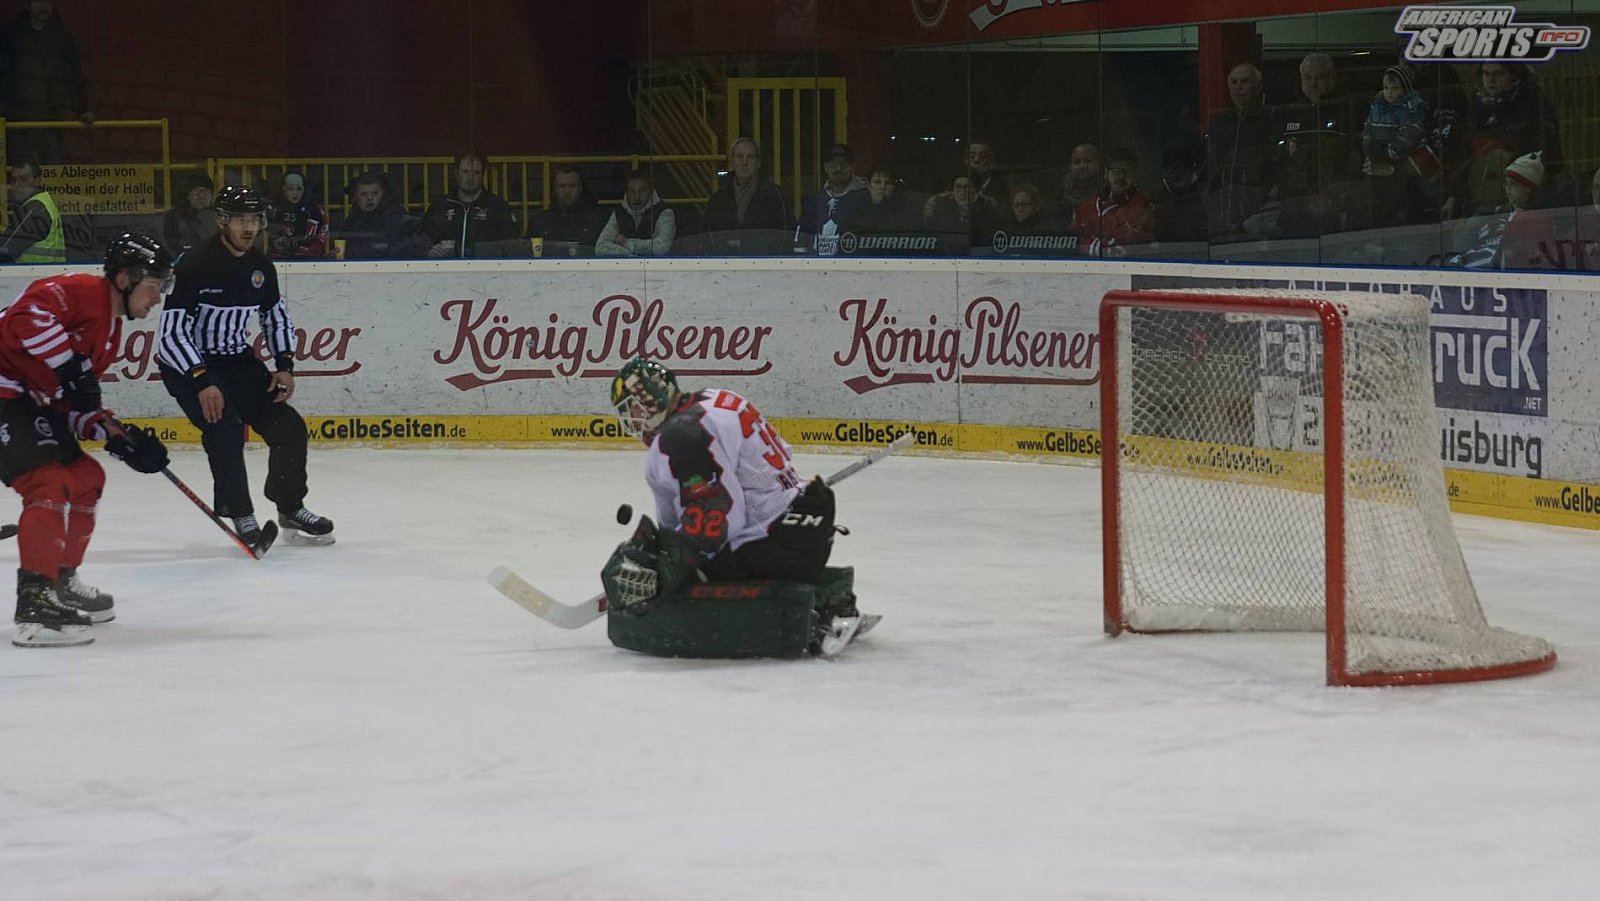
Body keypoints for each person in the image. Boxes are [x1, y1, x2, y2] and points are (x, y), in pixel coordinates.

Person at [600, 357, 866, 656]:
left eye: (632, 407)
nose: (630, 418)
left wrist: (671, 567)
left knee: (686, 583)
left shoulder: (680, 435)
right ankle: (831, 599)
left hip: (775, 541)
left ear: (652, 398)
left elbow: (720, 518)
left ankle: (811, 620)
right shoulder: (716, 398)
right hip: (806, 522)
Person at [0, 233, 173, 647]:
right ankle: (34, 604)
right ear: (125, 278)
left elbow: (71, 402)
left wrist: (118, 437)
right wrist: (70, 366)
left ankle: (60, 580)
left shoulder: (110, 332)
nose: (158, 298)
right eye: (154, 285)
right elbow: (23, 318)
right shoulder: (82, 290)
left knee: (86, 477)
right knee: (47, 482)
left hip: (28, 401)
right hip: (5, 393)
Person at [155, 185, 333, 548]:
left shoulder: (260, 267)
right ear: (222, 221)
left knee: (289, 428)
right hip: (191, 369)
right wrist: (202, 379)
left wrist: (284, 365)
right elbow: (170, 335)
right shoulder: (193, 265)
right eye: (240, 219)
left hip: (237, 363)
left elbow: (275, 317)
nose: (249, 228)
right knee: (225, 430)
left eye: (255, 219)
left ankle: (290, 506)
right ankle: (241, 513)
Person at [0, 0, 91, 165]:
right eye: (39, 1)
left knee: (52, 170)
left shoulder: (64, 37)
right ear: (28, 5)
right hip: (18, 122)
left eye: (48, 2)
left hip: (51, 120)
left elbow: (76, 75)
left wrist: (84, 108)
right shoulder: (9, 35)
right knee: (24, 172)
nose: (44, 6)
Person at [1204, 62, 1278, 238]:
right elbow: (1210, 161)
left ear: (1257, 86)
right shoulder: (1219, 122)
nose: (1238, 87)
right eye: (1234, 82)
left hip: (1260, 199)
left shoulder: (1272, 118)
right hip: (1222, 200)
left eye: (1244, 81)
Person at [1361, 63, 1433, 227]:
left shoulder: (1411, 109)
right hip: (1378, 159)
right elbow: (1368, 127)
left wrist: (1391, 152)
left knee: (1399, 198)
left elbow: (1410, 135)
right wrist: (1369, 145)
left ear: (1406, 89)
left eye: (1395, 88)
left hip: (1401, 161)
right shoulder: (1377, 106)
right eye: (1386, 88)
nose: (1389, 92)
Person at [701, 138, 791, 255]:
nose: (744, 162)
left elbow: (787, 236)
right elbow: (707, 237)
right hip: (725, 261)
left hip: (764, 261)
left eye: (750, 157)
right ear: (732, 161)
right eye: (739, 157)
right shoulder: (718, 199)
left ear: (758, 162)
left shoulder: (775, 196)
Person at [421, 153, 520, 259]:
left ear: (483, 175)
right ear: (456, 173)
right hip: (444, 268)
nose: (470, 178)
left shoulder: (497, 206)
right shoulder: (441, 205)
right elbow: (421, 236)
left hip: (487, 268)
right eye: (465, 172)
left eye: (476, 172)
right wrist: (428, 251)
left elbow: (512, 243)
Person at [1071, 148, 1155, 256]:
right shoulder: (1087, 206)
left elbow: (1123, 248)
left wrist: (1085, 244)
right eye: (1116, 172)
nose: (1121, 177)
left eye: (1128, 172)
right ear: (1106, 173)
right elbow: (1071, 241)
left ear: (1135, 175)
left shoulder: (1143, 207)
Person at [330, 170, 428, 260]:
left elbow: (384, 247)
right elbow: (341, 245)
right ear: (355, 197)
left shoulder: (394, 216)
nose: (369, 198)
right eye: (363, 194)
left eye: (375, 193)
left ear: (382, 194)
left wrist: (348, 254)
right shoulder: (352, 220)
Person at [796, 142, 867, 255]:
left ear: (853, 167)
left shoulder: (865, 199)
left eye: (844, 164)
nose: (838, 168)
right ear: (825, 167)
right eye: (833, 164)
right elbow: (801, 243)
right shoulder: (813, 202)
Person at [527, 165, 607, 255]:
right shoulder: (540, 221)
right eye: (562, 186)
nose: (567, 191)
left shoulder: (597, 219)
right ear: (555, 188)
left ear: (580, 187)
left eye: (572, 186)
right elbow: (527, 253)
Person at [596, 169, 676, 257]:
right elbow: (600, 247)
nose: (637, 197)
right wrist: (630, 255)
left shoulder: (664, 213)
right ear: (626, 192)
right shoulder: (619, 213)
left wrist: (627, 243)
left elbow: (662, 247)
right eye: (632, 191)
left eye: (642, 190)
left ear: (650, 191)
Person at [0, 159, 64, 263]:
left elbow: (5, 248)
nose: (17, 185)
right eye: (13, 180)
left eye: (23, 179)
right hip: (47, 270)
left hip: (33, 271)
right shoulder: (44, 202)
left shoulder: (34, 209)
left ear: (37, 181)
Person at [265, 172, 328, 260]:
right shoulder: (271, 208)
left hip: (305, 261)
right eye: (290, 189)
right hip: (274, 259)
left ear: (304, 190)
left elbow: (321, 237)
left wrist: (310, 251)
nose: (295, 193)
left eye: (299, 189)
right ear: (283, 189)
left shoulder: (314, 211)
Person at [161, 172, 218, 253]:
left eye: (206, 191)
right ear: (187, 195)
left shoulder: (220, 216)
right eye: (196, 191)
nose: (201, 196)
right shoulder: (173, 218)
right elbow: (171, 247)